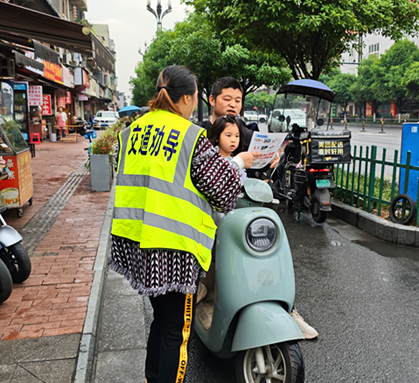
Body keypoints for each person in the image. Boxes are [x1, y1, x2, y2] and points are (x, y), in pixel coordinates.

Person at [109, 65, 259, 383]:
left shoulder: (131, 131)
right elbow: (221, 192)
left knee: (162, 319)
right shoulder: (190, 135)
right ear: (189, 98)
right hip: (174, 247)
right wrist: (238, 164)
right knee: (175, 330)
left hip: (137, 239)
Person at [205, 113, 319, 340]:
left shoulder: (241, 160)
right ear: (216, 137)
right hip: (217, 226)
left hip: (243, 223)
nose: (233, 140)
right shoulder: (212, 162)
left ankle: (288, 309)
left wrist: (267, 169)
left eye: (236, 136)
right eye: (228, 135)